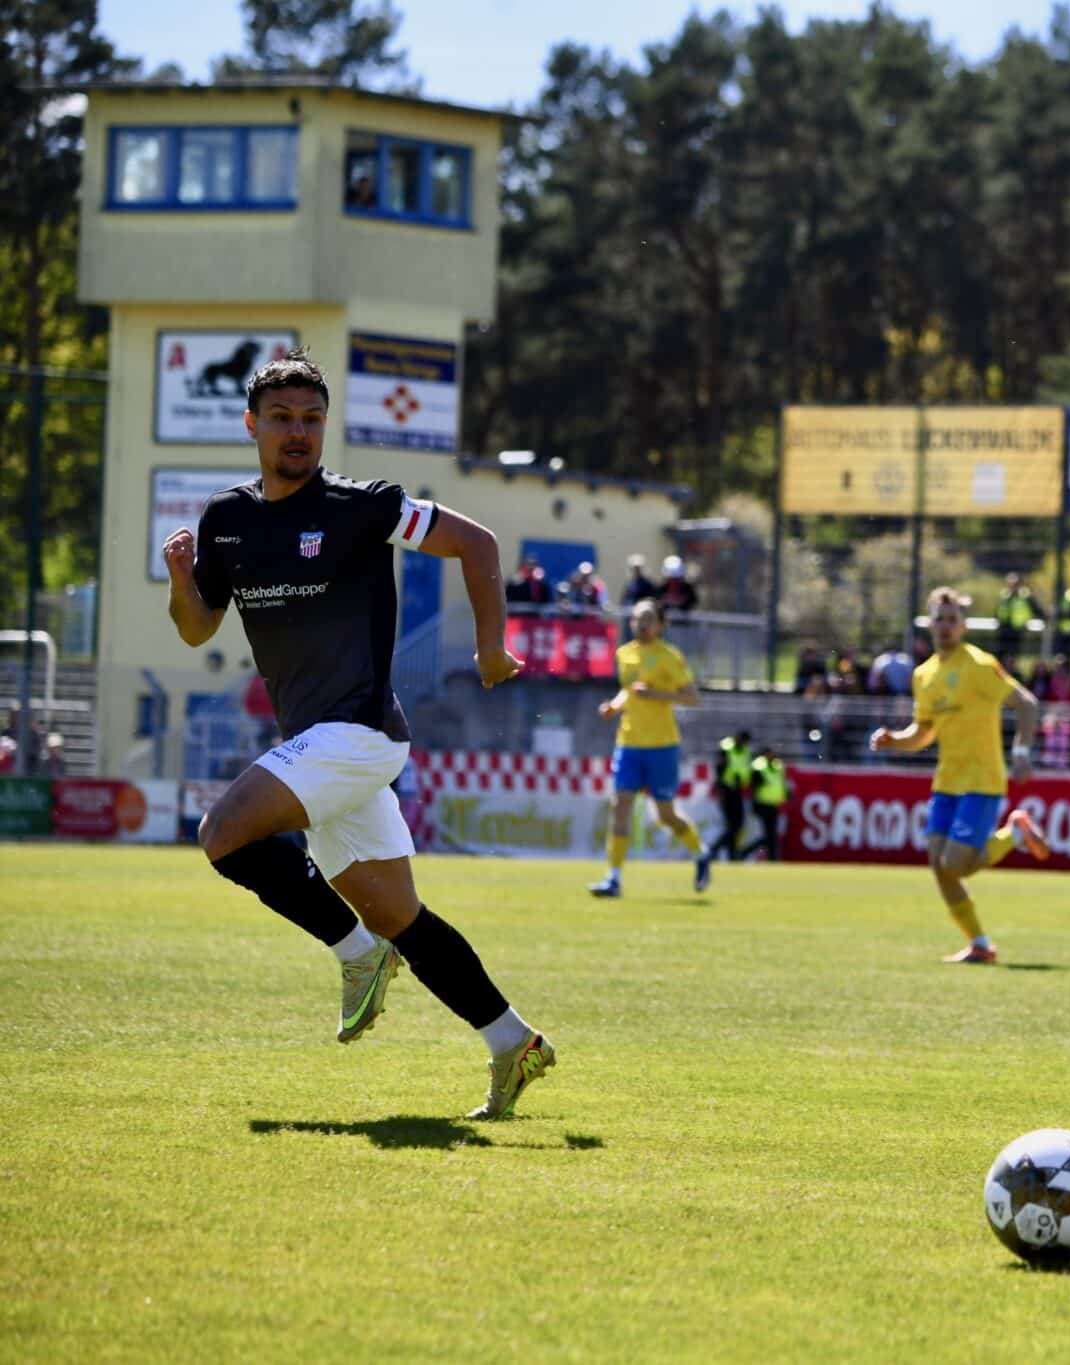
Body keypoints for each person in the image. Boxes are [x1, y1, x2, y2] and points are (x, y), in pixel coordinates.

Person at [161, 350, 553, 1120]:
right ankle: (515, 1041)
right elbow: (197, 627)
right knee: (400, 915)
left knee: (222, 834)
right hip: (320, 748)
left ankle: (357, 955)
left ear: (325, 425)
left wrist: (490, 646)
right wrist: (181, 583)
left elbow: (476, 542)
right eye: (282, 418)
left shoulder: (362, 505)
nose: (297, 432)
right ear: (251, 425)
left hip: (361, 733)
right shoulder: (227, 520)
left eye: (311, 418)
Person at [869, 586, 1052, 963]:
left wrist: (1021, 753)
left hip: (982, 780)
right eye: (940, 619)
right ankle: (980, 944)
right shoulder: (924, 675)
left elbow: (1026, 705)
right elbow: (924, 733)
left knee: (954, 864)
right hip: (947, 782)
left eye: (953, 620)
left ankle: (1015, 833)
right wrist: (893, 740)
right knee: (940, 868)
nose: (946, 626)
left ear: (963, 625)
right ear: (929, 623)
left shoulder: (979, 665)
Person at [589, 599, 706, 898]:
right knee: (620, 806)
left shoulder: (669, 656)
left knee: (666, 815)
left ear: (661, 625)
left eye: (649, 618)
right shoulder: (624, 654)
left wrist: (655, 694)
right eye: (637, 618)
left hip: (662, 745)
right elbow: (628, 692)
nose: (642, 623)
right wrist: (614, 707)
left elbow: (692, 697)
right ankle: (613, 877)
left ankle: (700, 852)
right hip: (629, 743)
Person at [696, 729, 753, 887]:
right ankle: (715, 850)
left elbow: (744, 768)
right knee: (733, 825)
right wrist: (721, 789)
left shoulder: (745, 750)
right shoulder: (727, 747)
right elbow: (719, 770)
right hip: (726, 790)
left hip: (737, 790)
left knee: (737, 825)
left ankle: (730, 855)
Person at [741, 747, 791, 860]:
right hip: (762, 804)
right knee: (767, 834)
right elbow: (753, 787)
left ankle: (771, 857)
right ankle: (747, 852)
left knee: (771, 834)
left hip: (773, 804)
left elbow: (782, 782)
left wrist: (786, 794)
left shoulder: (777, 765)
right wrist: (753, 803)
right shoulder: (758, 766)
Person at [993, 573, 1042, 666]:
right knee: (1000, 655)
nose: (1012, 586)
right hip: (1003, 629)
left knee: (1013, 656)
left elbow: (1036, 609)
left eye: (1014, 584)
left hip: (1017, 630)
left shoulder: (1025, 596)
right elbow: (998, 610)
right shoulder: (1004, 595)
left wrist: (1045, 616)